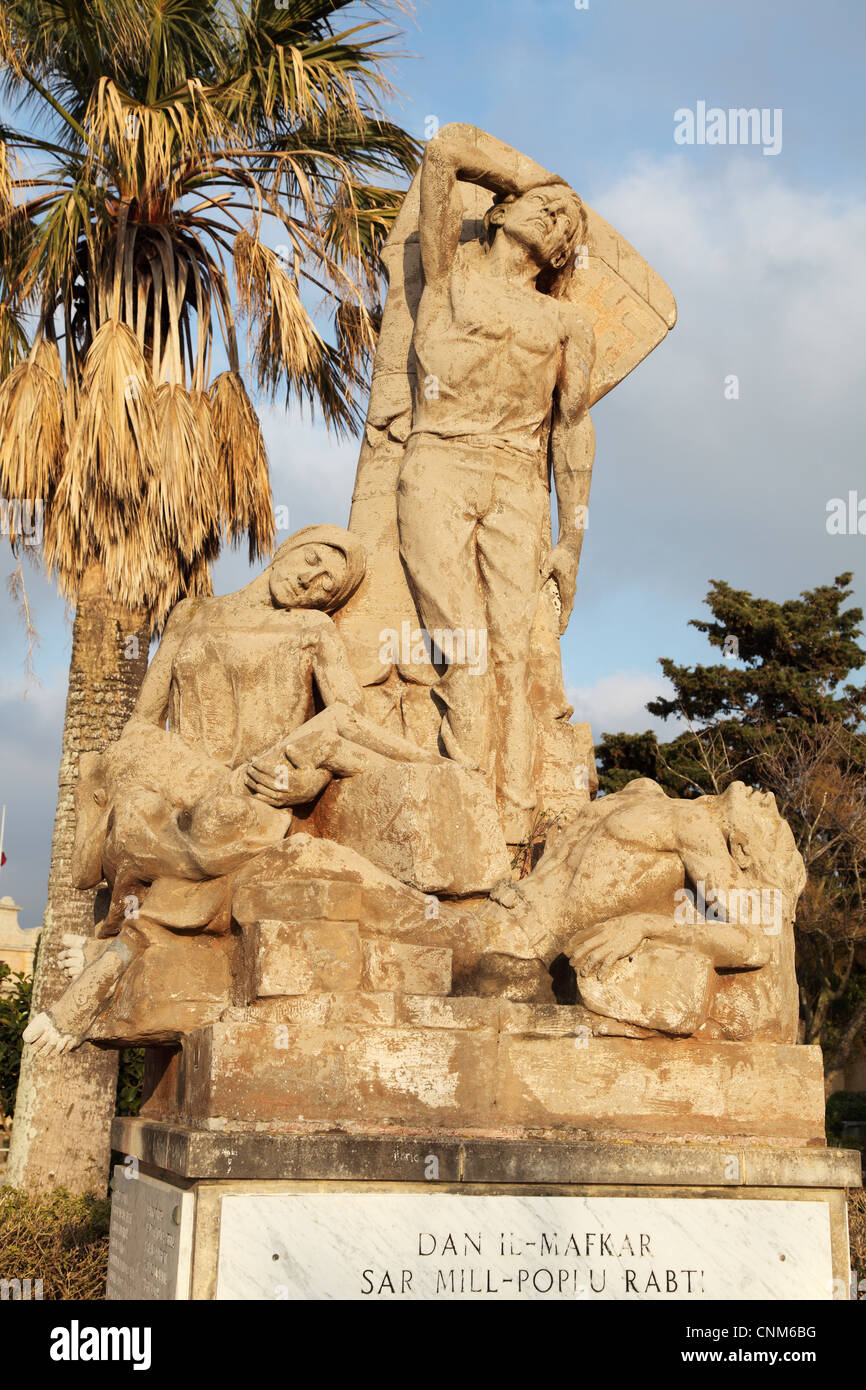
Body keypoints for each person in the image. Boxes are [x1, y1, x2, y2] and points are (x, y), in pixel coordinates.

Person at [395, 124, 596, 841]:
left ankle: (510, 828)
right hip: (440, 459)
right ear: (502, 207)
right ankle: (463, 799)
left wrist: (571, 541)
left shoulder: (567, 320)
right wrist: (546, 183)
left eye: (568, 222)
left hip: (516, 480)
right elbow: (445, 150)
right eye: (542, 208)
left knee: (517, 652)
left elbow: (572, 428)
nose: (556, 218)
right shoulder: (447, 275)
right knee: (462, 642)